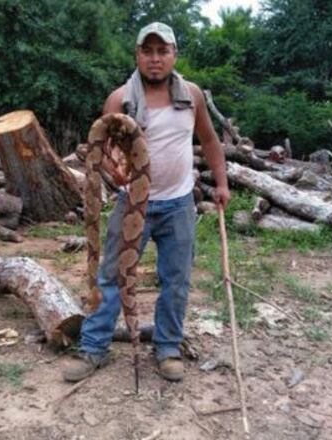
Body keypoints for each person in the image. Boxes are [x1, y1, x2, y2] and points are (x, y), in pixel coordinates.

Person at [63, 22, 230, 382]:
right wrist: (114, 170)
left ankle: (168, 347)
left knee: (177, 279)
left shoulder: (192, 95)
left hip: (178, 203)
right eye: (147, 51)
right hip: (130, 204)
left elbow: (211, 141)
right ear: (137, 55)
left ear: (174, 54)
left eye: (162, 51)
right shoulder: (120, 99)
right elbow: (102, 152)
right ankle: (94, 348)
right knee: (111, 276)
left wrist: (221, 182)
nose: (155, 59)